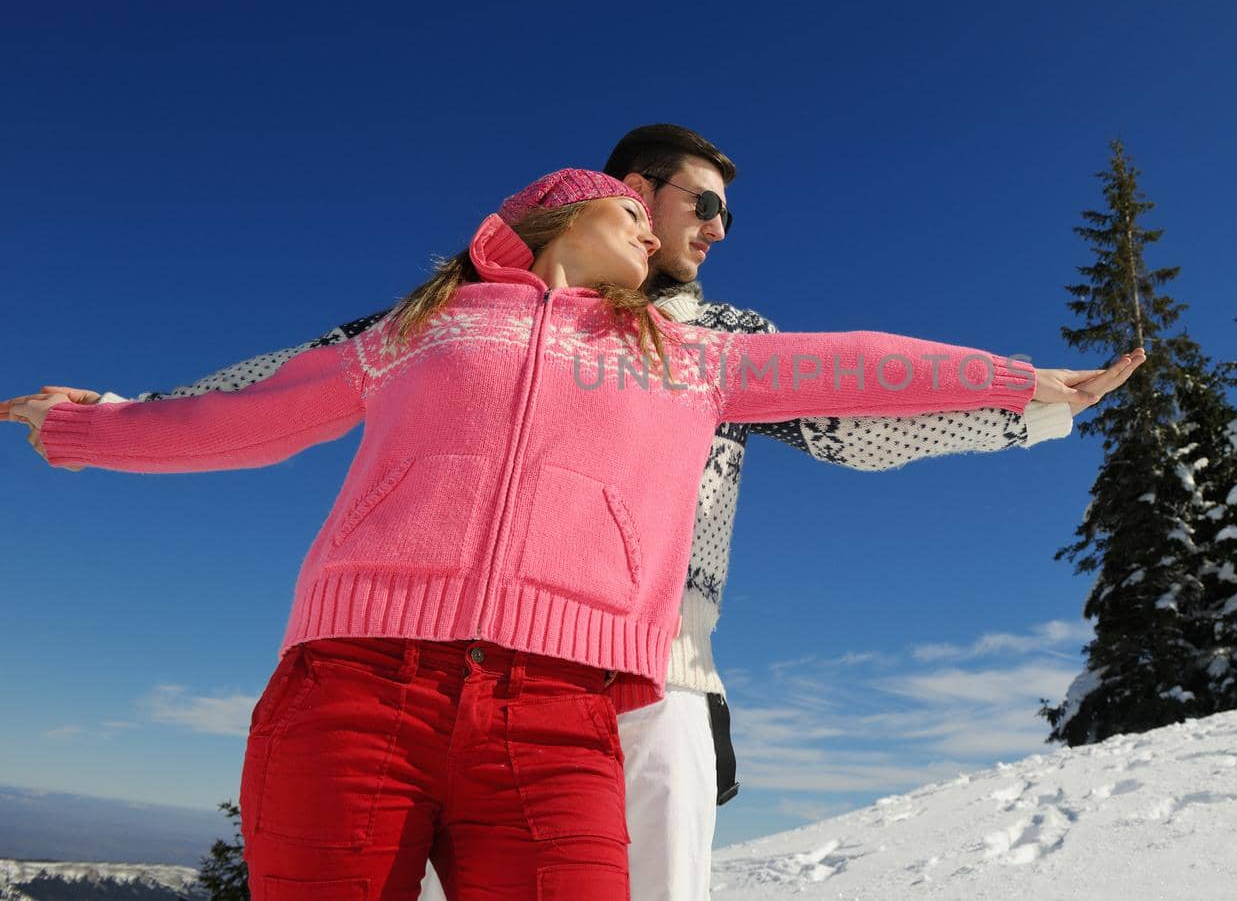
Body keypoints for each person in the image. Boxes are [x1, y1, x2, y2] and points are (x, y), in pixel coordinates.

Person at [6, 125, 1143, 901]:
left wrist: (1018, 388)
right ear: (598, 202)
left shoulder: (706, 348)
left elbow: (860, 380)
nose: (704, 231)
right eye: (691, 206)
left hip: (600, 689)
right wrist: (101, 421)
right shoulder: (425, 322)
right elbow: (264, 401)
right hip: (362, 678)